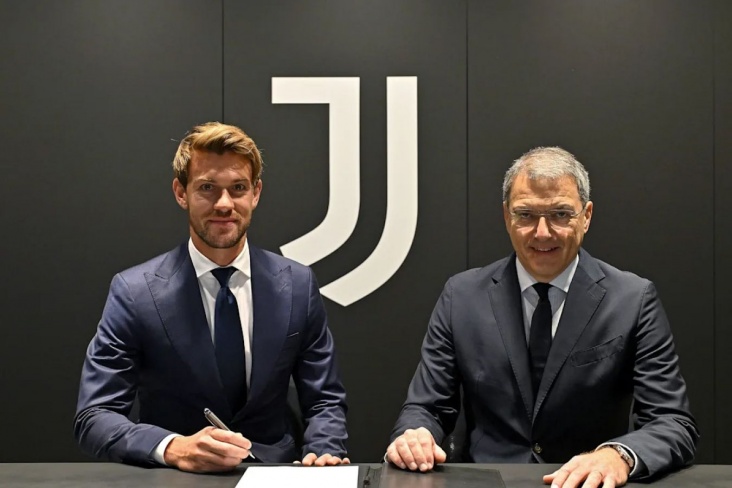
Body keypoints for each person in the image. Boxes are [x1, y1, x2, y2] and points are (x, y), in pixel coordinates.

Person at [386, 147, 698, 487]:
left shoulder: (632, 300)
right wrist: (414, 435)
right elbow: (426, 407)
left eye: (561, 214)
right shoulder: (461, 296)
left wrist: (617, 455)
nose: (543, 232)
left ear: (586, 216)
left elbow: (672, 422)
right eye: (526, 215)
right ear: (506, 217)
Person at [75, 122, 349, 472]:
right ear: (181, 192)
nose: (224, 204)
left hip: (273, 473)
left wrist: (324, 450)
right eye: (207, 188)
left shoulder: (297, 284)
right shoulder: (134, 292)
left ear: (256, 193)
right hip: (176, 477)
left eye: (238, 188)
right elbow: (95, 415)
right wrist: (172, 447)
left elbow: (324, 399)